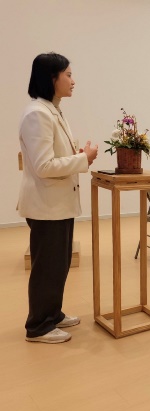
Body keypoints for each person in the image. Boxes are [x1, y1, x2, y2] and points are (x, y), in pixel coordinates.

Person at [18, 53, 98, 344]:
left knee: (59, 264)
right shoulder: (37, 114)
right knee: (47, 268)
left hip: (58, 204)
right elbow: (44, 166)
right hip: (46, 206)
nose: (73, 81)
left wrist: (78, 156)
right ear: (52, 78)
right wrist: (83, 159)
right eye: (68, 75)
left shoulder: (53, 110)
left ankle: (52, 313)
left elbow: (55, 157)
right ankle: (38, 326)